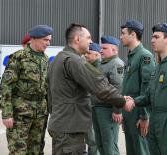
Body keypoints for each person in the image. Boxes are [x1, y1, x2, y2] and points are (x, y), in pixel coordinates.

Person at [47, 23, 134, 155]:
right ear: (77, 39)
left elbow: (49, 94)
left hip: (61, 124)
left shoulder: (58, 58)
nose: (91, 41)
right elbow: (99, 86)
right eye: (88, 38)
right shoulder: (74, 61)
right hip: (70, 127)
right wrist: (122, 101)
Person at [129, 23, 167, 155]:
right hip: (155, 120)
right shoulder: (157, 67)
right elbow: (148, 96)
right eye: (152, 37)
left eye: (156, 37)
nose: (152, 40)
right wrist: (132, 101)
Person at [1, 25, 53, 155]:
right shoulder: (19, 57)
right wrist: (7, 114)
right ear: (34, 38)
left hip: (40, 113)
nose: (48, 43)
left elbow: (47, 86)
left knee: (36, 149)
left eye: (49, 41)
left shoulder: (45, 59)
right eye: (45, 40)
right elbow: (7, 85)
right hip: (21, 113)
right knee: (18, 150)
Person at [120, 20, 155, 155]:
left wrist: (144, 116)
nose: (121, 37)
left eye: (123, 33)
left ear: (133, 34)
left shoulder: (144, 56)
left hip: (138, 112)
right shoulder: (131, 56)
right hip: (130, 111)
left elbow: (147, 87)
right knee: (131, 150)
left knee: (140, 149)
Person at [91, 36, 124, 155]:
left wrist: (117, 110)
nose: (101, 51)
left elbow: (118, 88)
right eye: (101, 48)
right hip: (97, 107)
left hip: (107, 110)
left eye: (104, 48)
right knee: (100, 143)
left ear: (114, 50)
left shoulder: (116, 64)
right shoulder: (104, 64)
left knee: (109, 146)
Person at [84, 42, 101, 155]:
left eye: (89, 53)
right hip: (87, 107)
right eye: (85, 53)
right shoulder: (88, 66)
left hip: (93, 107)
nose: (86, 55)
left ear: (97, 55)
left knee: (93, 140)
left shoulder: (99, 68)